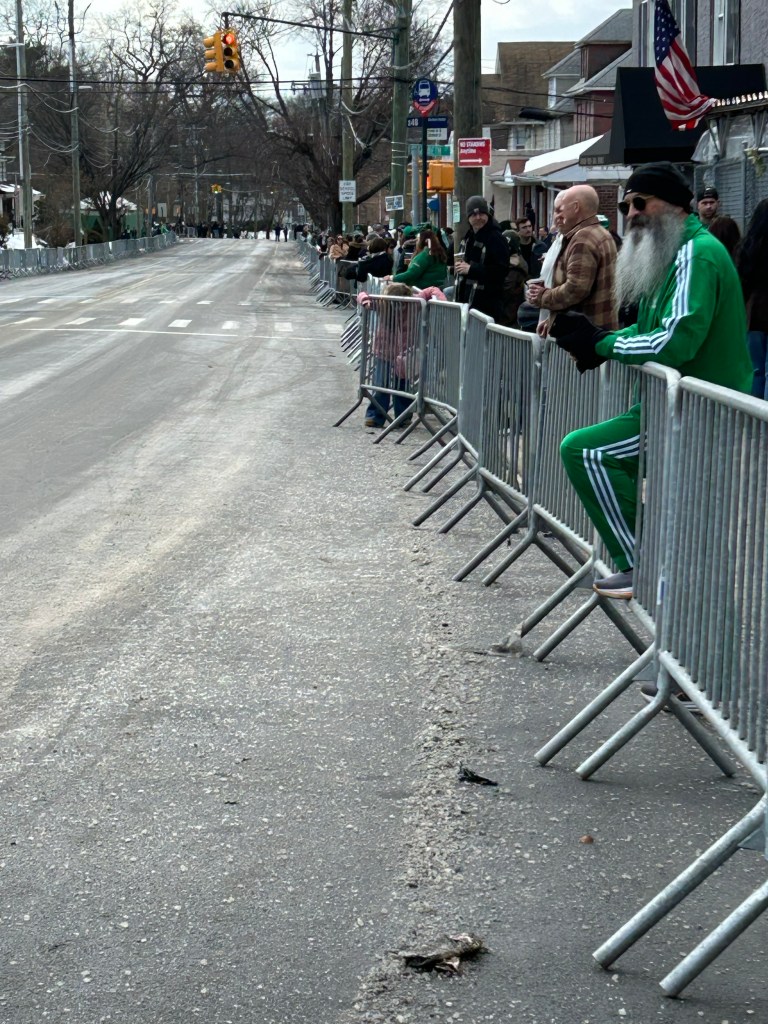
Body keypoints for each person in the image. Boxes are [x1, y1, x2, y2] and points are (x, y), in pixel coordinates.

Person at [552, 161, 752, 600]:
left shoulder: (697, 254)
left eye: (640, 203)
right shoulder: (674, 253)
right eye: (626, 205)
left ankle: (643, 563)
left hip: (700, 410)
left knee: (587, 451)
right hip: (675, 404)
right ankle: (664, 573)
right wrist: (598, 338)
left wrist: (602, 345)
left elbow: (674, 341)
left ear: (676, 206)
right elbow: (646, 330)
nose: (631, 213)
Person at [526, 185, 619, 336]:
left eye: (559, 210)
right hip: (597, 333)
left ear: (576, 207)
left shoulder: (583, 239)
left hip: (585, 339)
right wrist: (553, 321)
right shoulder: (601, 233)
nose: (555, 218)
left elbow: (575, 290)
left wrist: (542, 296)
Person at [453, 195, 509, 321]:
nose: (478, 218)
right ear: (468, 218)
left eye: (482, 214)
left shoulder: (496, 237)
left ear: (488, 215)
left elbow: (502, 271)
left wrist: (472, 269)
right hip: (469, 305)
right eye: (474, 215)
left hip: (488, 307)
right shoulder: (468, 238)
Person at [737, 197, 768, 399]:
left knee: (756, 369)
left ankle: (754, 418)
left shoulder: (750, 246)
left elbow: (744, 280)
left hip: (755, 313)